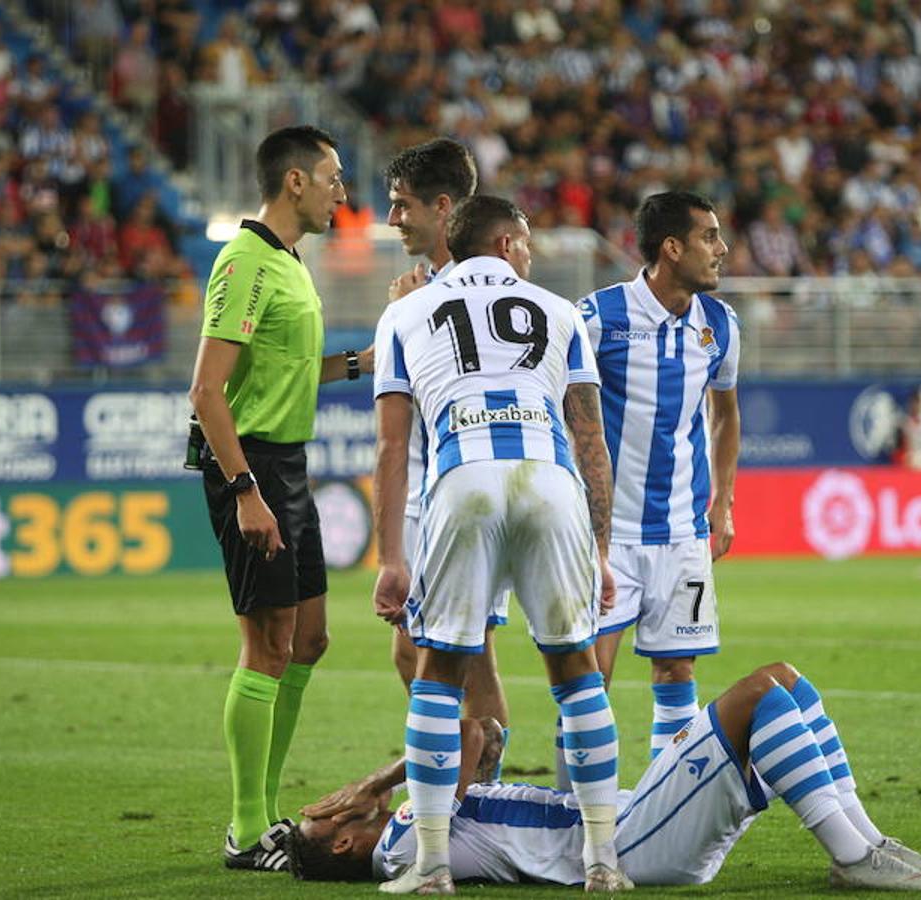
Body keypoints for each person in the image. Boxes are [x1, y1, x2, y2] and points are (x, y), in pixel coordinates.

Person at [371, 195, 629, 893]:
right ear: (510, 242)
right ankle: (602, 862)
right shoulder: (561, 310)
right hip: (552, 480)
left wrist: (392, 559)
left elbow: (393, 446)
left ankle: (429, 866)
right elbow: (592, 440)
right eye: (530, 243)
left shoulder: (404, 311)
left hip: (464, 478)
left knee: (439, 672)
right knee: (577, 674)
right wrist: (600, 552)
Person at [284, 662, 921, 892]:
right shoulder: (403, 845)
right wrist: (383, 779)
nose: (339, 801)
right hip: (630, 844)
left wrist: (396, 777)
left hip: (631, 819)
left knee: (784, 681)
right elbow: (462, 736)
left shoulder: (419, 823)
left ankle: (868, 844)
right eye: (331, 812)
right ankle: (851, 857)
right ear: (345, 842)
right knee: (757, 693)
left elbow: (484, 736)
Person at [188, 124, 372, 871]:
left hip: (287, 463)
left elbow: (287, 373)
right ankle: (247, 828)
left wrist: (363, 361)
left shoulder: (290, 262)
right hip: (250, 467)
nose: (343, 193)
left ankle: (264, 818)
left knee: (310, 640)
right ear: (294, 181)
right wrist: (244, 491)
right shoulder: (244, 262)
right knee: (266, 647)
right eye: (333, 178)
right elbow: (206, 390)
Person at [575, 191, 741, 768]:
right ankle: (581, 822)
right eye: (710, 237)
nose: (721, 249)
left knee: (678, 671)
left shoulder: (719, 324)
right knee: (588, 677)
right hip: (606, 539)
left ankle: (660, 812)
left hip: (682, 537)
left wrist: (724, 503)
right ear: (672, 248)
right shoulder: (598, 318)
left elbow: (726, 416)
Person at [380, 139, 510, 751]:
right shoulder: (413, 292)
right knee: (426, 651)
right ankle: (474, 777)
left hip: (471, 484)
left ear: (441, 206)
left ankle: (477, 788)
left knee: (453, 650)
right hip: (431, 491)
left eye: (403, 206)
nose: (392, 219)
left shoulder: (472, 289)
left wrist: (415, 310)